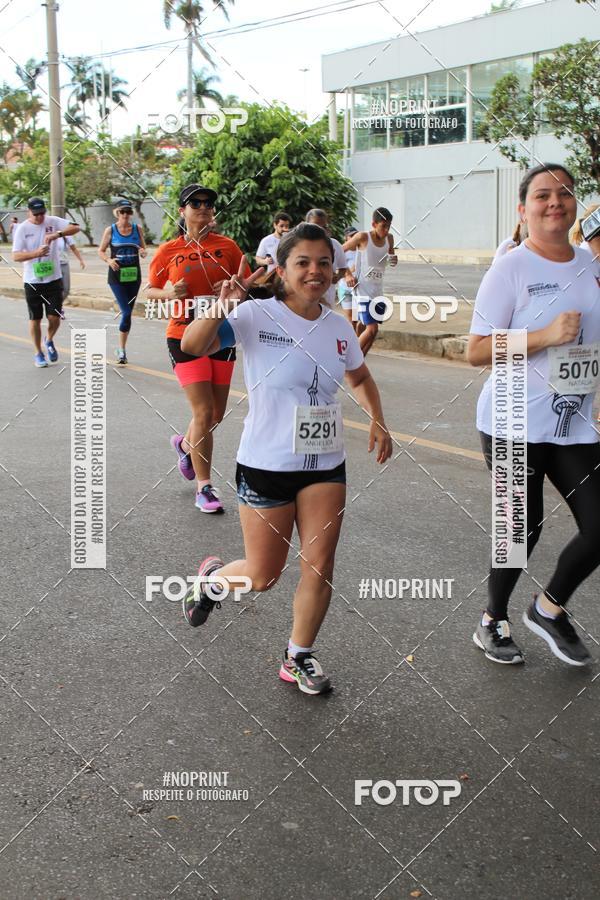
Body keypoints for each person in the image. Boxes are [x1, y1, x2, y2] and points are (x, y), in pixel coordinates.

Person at [179, 223, 393, 695]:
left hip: (325, 464)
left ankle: (299, 656)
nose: (315, 271)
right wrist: (222, 304)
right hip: (266, 464)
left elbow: (359, 377)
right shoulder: (255, 315)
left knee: (320, 563)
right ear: (281, 270)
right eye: (303, 262)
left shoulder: (338, 326)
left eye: (324, 263)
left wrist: (377, 419)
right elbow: (192, 345)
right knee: (262, 576)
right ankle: (213, 581)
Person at [468, 162, 600, 667]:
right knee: (521, 530)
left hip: (573, 422)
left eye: (564, 192)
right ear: (523, 210)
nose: (555, 202)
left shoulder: (590, 264)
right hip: (512, 421)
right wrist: (544, 336)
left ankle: (548, 608)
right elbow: (476, 350)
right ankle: (492, 619)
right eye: (543, 195)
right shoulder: (511, 268)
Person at [146, 183, 251, 514]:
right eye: (196, 203)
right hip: (183, 335)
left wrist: (232, 286)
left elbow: (247, 285)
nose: (203, 207)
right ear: (182, 210)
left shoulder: (227, 246)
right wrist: (169, 294)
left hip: (221, 333)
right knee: (203, 413)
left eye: (208, 203)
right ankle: (204, 487)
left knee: (215, 415)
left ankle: (185, 443)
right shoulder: (169, 251)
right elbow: (149, 290)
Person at [12, 197, 80, 367]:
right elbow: (15, 256)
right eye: (36, 214)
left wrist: (58, 234)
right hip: (32, 281)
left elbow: (76, 227)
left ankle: (48, 339)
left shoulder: (53, 221)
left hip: (54, 279)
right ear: (29, 212)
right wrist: (36, 253)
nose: (40, 217)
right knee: (35, 319)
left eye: (42, 213)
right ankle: (38, 353)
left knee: (54, 317)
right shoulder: (22, 229)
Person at [343, 207, 397, 355]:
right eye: (383, 226)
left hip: (377, 290)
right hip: (362, 288)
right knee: (372, 328)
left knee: (369, 330)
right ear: (374, 224)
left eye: (389, 226)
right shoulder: (362, 237)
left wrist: (393, 259)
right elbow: (339, 251)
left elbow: (391, 257)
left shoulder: (389, 238)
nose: (386, 230)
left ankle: (360, 360)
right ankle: (349, 358)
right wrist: (347, 275)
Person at [98, 201, 147, 364]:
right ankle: (121, 350)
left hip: (134, 276)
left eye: (128, 211)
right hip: (116, 277)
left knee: (128, 314)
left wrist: (142, 252)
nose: (125, 215)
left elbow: (143, 248)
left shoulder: (137, 229)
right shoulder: (110, 230)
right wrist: (109, 260)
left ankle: (122, 349)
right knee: (125, 312)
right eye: (122, 211)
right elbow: (101, 251)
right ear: (117, 213)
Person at [304, 209, 347, 307]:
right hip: (305, 299)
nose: (320, 230)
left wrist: (337, 277)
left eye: (323, 226)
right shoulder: (298, 245)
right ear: (306, 225)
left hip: (328, 300)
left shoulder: (335, 244)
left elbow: (343, 268)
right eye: (315, 226)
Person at [338, 226, 358, 326]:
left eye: (355, 235)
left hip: (358, 289)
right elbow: (337, 269)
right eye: (351, 236)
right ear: (345, 237)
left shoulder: (362, 249)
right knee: (350, 319)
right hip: (345, 288)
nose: (354, 238)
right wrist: (349, 272)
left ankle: (357, 336)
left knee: (356, 318)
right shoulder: (341, 251)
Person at [59, 234, 85, 304]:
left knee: (66, 289)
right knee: (55, 289)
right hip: (53, 265)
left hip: (64, 263)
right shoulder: (48, 233)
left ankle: (57, 305)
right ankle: (55, 307)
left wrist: (81, 260)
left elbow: (74, 248)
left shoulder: (65, 235)